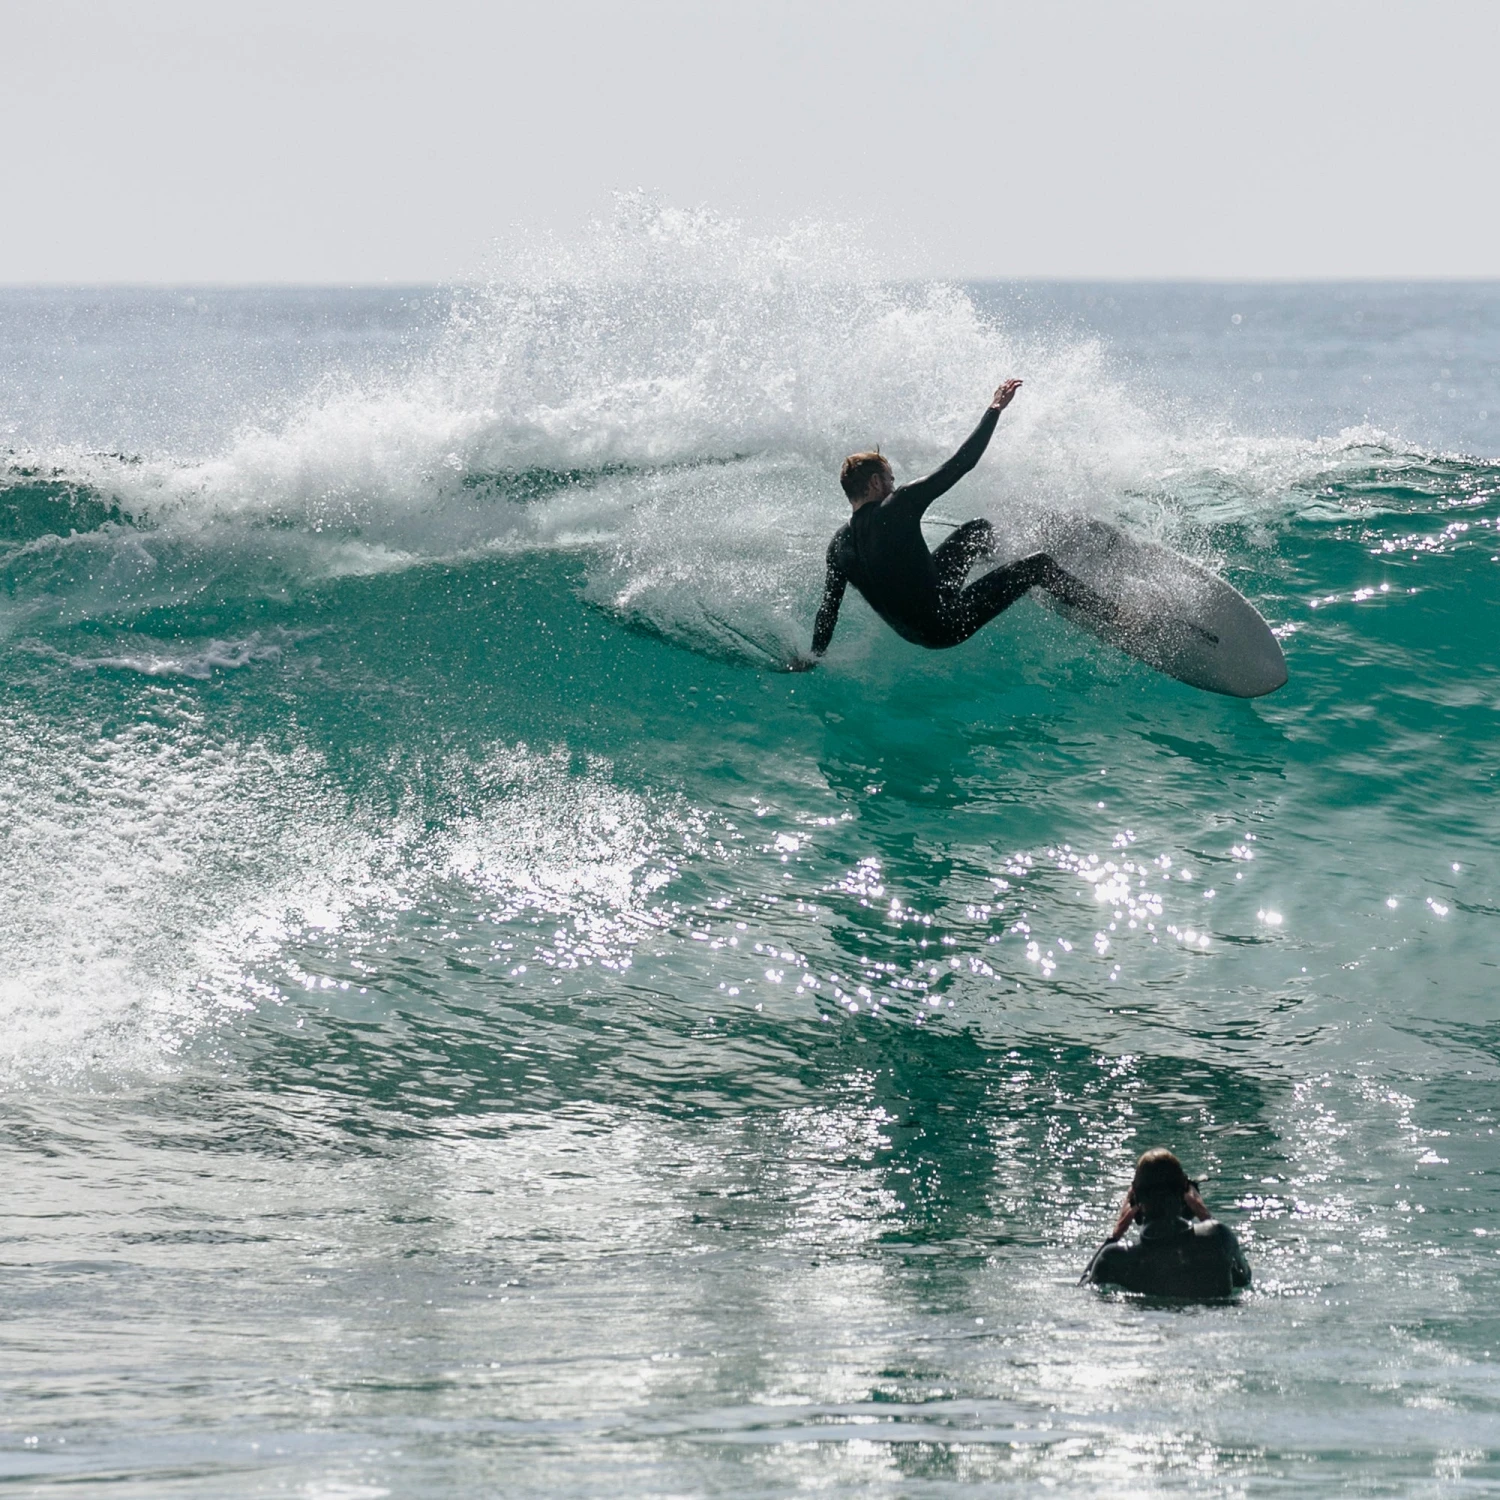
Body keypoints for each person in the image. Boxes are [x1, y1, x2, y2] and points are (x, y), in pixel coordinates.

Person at [800, 380, 1114, 664]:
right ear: (874, 483)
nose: (893, 486)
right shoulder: (896, 506)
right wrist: (995, 408)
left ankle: (1004, 568)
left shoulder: (837, 547)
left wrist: (813, 656)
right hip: (947, 623)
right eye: (889, 479)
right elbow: (961, 463)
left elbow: (828, 611)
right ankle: (1115, 616)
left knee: (977, 529)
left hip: (917, 626)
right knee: (1038, 565)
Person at [1084, 1148, 1252, 1299]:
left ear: (1136, 1196)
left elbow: (1085, 1288)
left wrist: (1116, 1233)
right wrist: (1205, 1215)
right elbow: (1244, 1278)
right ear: (1184, 1190)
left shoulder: (1114, 1258)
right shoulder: (1218, 1238)